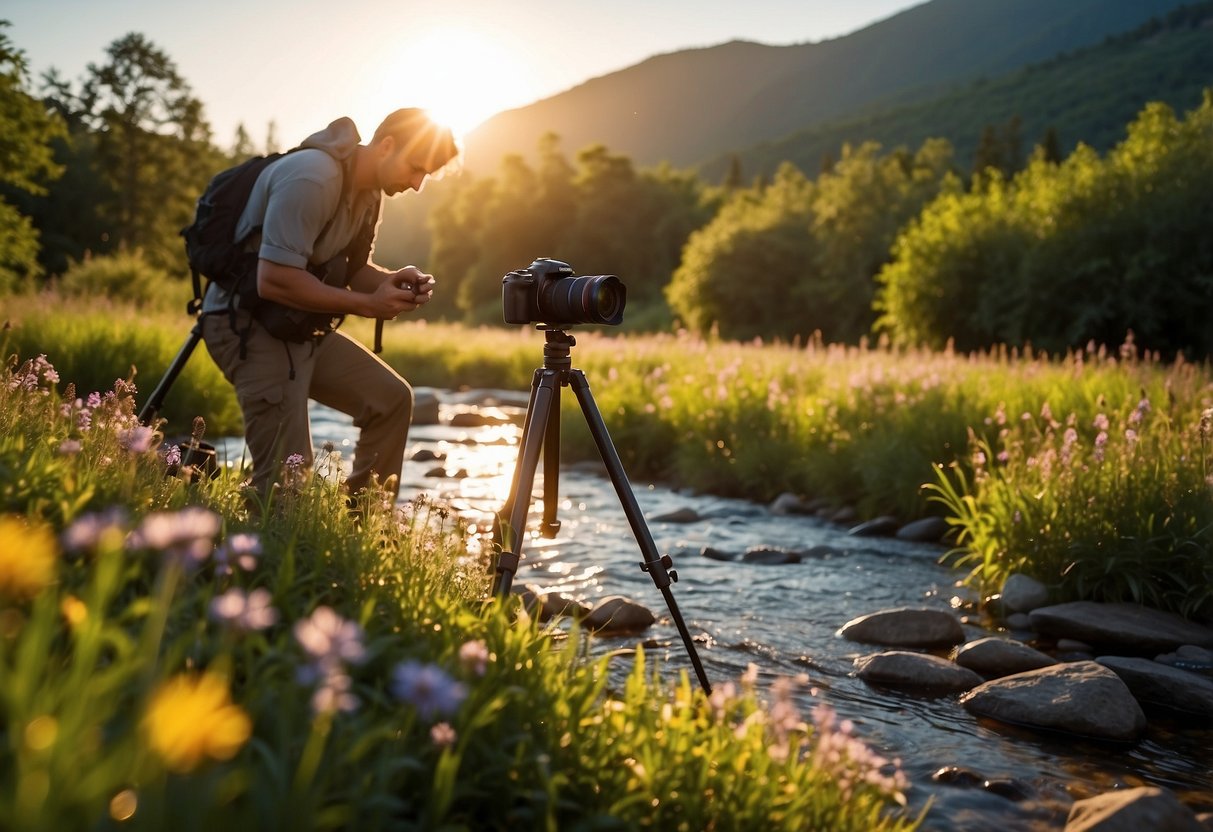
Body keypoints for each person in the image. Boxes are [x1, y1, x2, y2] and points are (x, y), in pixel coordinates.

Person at [200, 108, 460, 503]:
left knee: (391, 400)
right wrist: (368, 305)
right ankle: (262, 548)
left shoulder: (370, 194)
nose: (417, 183)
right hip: (244, 325)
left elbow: (354, 269)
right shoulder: (313, 177)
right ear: (386, 145)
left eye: (425, 174)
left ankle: (363, 531)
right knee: (288, 484)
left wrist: (390, 282)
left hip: (296, 325)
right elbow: (274, 279)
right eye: (415, 168)